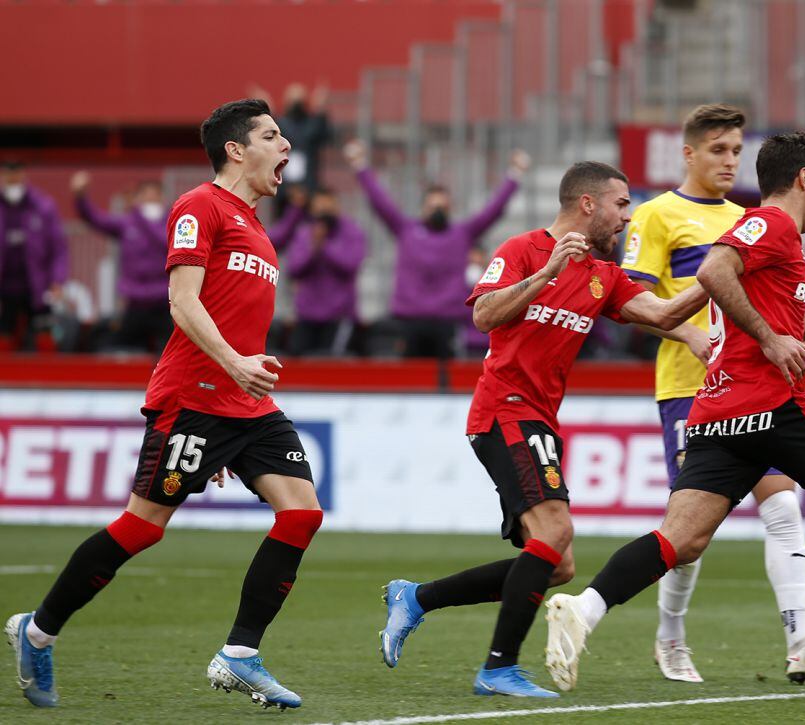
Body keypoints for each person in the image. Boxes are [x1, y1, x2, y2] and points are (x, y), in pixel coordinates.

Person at [544, 132, 805, 694]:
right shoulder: (775, 224)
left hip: (717, 413)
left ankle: (584, 609)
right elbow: (715, 272)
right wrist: (772, 340)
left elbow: (747, 309)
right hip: (769, 403)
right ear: (804, 179)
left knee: (681, 540)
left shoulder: (765, 233)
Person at [5, 99, 322, 711]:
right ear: (236, 150)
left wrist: (238, 388)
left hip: (246, 406)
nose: (286, 147)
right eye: (272, 136)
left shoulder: (259, 229)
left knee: (302, 513)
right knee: (142, 529)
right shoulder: (198, 206)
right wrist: (232, 367)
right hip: (194, 400)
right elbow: (182, 302)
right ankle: (37, 630)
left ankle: (239, 656)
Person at [377, 161, 715, 698]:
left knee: (557, 566)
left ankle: (416, 598)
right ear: (588, 205)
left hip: (539, 420)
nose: (626, 216)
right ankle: (497, 669)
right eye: (621, 204)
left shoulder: (604, 276)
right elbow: (484, 316)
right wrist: (545, 274)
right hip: (503, 411)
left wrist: (718, 273)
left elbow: (664, 313)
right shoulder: (522, 250)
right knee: (554, 537)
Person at [623, 103, 805, 684]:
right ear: (689, 154)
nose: (730, 161)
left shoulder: (750, 217)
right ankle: (670, 635)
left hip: (756, 390)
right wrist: (688, 332)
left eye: (736, 150)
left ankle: (801, 639)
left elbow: (769, 314)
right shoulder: (657, 216)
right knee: (689, 540)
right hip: (687, 388)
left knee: (782, 508)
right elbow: (632, 303)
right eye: (719, 150)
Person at [345, 140, 529, 358]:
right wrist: (360, 166)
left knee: (446, 382)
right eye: (433, 206)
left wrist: (514, 175)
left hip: (447, 322)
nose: (437, 211)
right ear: (423, 208)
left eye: (442, 207)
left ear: (450, 208)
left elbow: (493, 210)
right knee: (410, 381)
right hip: (408, 321)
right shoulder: (406, 229)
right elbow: (380, 202)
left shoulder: (462, 233)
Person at [72, 172, 172, 352]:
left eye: (155, 195)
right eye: (146, 195)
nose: (151, 199)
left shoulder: (173, 224)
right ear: (139, 198)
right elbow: (96, 219)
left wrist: (142, 218)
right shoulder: (127, 223)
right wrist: (80, 198)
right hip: (134, 304)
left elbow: (165, 241)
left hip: (164, 303)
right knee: (116, 348)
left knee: (170, 352)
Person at [270, 186, 366, 356]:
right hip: (306, 315)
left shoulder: (352, 231)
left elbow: (350, 265)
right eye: (319, 210)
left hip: (339, 316)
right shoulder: (304, 233)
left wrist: (324, 246)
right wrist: (313, 249)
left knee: (331, 367)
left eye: (328, 209)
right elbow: (294, 269)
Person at [0, 160, 68, 352]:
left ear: (23, 176)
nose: (13, 181)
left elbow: (59, 248)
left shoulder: (43, 206)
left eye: (16, 176)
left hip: (37, 287)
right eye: (8, 177)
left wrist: (57, 280)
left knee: (44, 337)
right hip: (5, 290)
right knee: (4, 338)